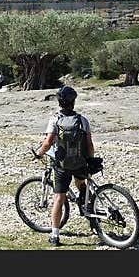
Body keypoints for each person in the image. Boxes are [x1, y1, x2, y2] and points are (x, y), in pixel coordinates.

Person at [33, 85, 94, 247]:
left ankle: (54, 235)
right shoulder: (82, 120)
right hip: (80, 163)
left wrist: (39, 153)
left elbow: (47, 143)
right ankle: (86, 204)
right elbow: (89, 145)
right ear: (73, 102)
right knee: (81, 182)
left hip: (61, 165)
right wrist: (90, 160)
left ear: (59, 103)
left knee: (59, 198)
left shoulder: (55, 119)